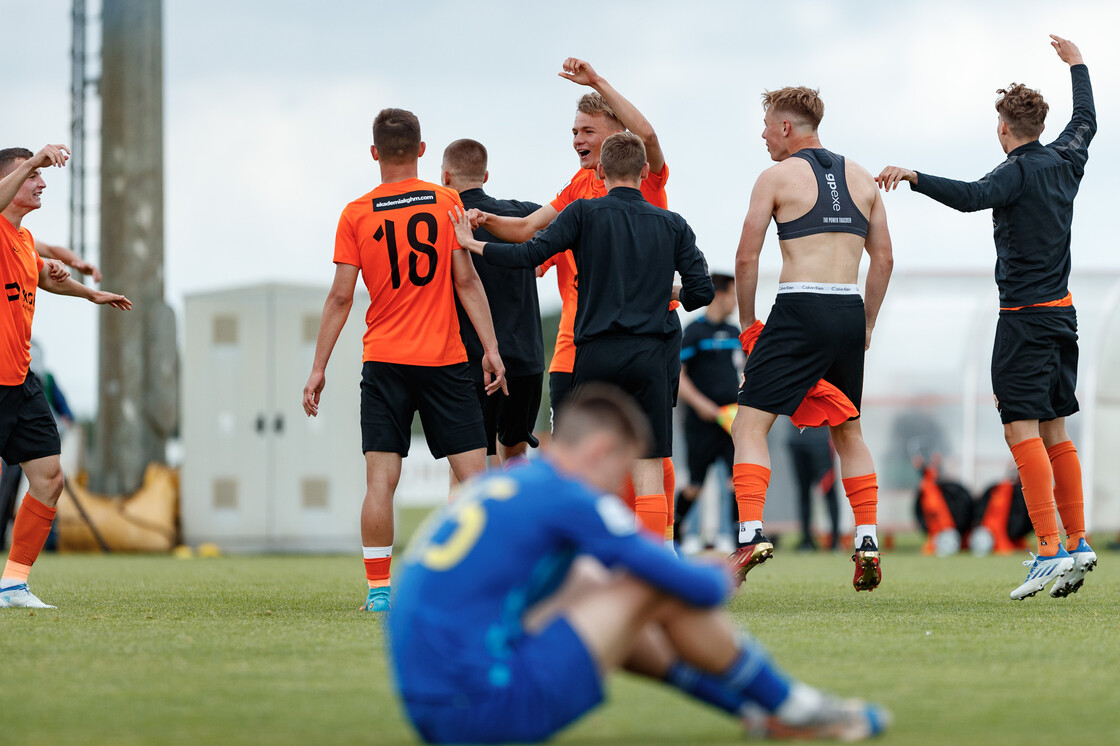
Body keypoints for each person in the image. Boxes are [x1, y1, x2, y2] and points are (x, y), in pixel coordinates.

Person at [389, 384, 890, 743]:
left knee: (592, 582)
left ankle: (761, 715)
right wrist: (714, 573)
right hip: (482, 706)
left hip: (430, 707)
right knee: (642, 585)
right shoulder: (566, 494)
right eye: (620, 471)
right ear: (602, 450)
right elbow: (692, 587)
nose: (619, 487)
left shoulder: (512, 482)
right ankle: (794, 706)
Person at [876, 35, 1096, 600]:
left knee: (1021, 428)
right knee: (1056, 430)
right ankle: (1076, 540)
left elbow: (973, 195)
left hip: (1023, 320)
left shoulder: (1016, 171)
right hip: (1064, 317)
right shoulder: (1067, 159)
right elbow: (1087, 121)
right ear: (1039, 125)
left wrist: (915, 177)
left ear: (1003, 129)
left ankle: (1049, 549)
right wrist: (1078, 66)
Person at [452, 132, 714, 543]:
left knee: (588, 465)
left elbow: (527, 255)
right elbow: (702, 293)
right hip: (651, 356)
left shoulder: (582, 213)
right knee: (649, 469)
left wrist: (473, 244)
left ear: (602, 172)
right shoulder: (673, 223)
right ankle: (649, 573)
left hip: (595, 354)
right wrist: (663, 291)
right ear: (644, 172)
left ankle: (586, 558)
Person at [301, 109, 507, 613]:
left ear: (374, 153)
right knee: (477, 479)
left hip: (386, 361)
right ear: (420, 150)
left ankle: (378, 592)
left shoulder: (356, 213)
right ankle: (484, 584)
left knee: (381, 481)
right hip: (444, 359)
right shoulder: (446, 200)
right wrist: (492, 348)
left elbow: (341, 298)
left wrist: (318, 367)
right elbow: (466, 280)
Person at [729, 86, 894, 592]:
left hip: (799, 305)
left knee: (749, 426)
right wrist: (865, 323)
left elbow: (746, 259)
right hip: (846, 305)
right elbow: (883, 260)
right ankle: (866, 538)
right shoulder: (864, 177)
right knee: (849, 432)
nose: (761, 135)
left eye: (766, 126)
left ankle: (751, 533)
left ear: (786, 128)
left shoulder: (776, 177)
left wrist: (748, 324)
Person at [0, 145, 131, 609]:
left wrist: (90, 295)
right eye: (33, 177)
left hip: (19, 380)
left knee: (49, 477)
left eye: (41, 175)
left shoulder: (21, 238)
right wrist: (35, 158)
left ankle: (13, 584)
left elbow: (45, 276)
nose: (41, 183)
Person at [442, 139, 544, 470]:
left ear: (445, 178)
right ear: (486, 176)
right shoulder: (525, 213)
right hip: (526, 359)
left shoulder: (443, 222)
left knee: (468, 468)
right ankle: (525, 522)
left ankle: (479, 523)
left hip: (470, 360)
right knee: (516, 457)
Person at [675, 272, 741, 553]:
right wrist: (702, 405)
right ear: (721, 294)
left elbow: (746, 369)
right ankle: (678, 533)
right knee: (695, 484)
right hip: (700, 421)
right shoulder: (694, 331)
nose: (737, 302)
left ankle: (736, 539)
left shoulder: (735, 333)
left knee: (736, 480)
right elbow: (678, 375)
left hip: (731, 421)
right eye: (734, 295)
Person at [788, 425, 841, 551]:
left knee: (829, 491)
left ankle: (835, 541)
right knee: (803, 492)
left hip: (821, 441)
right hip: (798, 440)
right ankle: (806, 540)